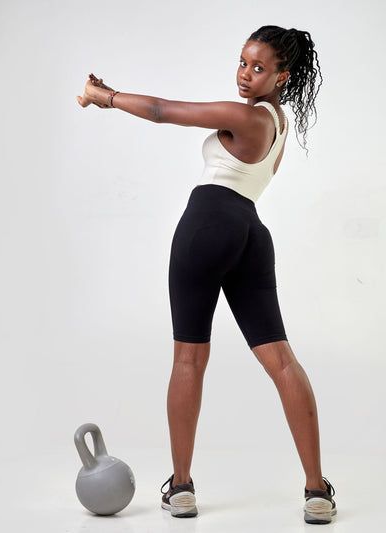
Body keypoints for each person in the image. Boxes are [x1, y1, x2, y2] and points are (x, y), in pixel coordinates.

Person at [77, 25, 336, 525]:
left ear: (282, 77)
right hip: (251, 233)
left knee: (189, 358)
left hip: (207, 225)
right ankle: (316, 490)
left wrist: (102, 96)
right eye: (242, 62)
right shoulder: (278, 124)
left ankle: (180, 488)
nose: (245, 74)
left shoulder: (244, 116)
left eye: (258, 68)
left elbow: (161, 110)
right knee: (282, 361)